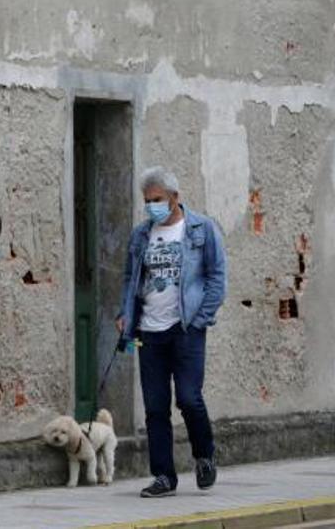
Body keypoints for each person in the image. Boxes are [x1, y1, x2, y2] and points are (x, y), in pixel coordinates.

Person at [115, 166, 227, 498]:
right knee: (154, 407)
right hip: (148, 331)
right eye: (147, 201)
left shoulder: (201, 229)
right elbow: (130, 279)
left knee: (190, 399)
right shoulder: (141, 235)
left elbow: (217, 278)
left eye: (158, 200)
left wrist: (199, 319)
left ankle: (204, 455)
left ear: (175, 197)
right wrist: (126, 313)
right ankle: (164, 476)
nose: (152, 207)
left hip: (186, 329)